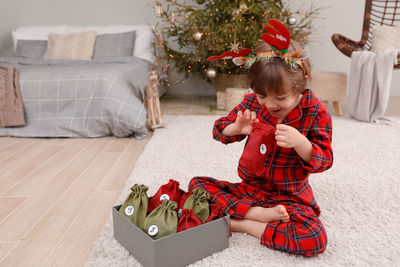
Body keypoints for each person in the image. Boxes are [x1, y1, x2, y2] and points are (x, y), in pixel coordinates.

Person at [189, 19, 333, 257]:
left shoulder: (316, 113)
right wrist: (235, 129)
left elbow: (325, 160)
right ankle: (256, 215)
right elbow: (219, 129)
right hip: (250, 190)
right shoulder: (254, 103)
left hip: (289, 198)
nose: (269, 104)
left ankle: (241, 223)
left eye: (280, 97)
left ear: (301, 86)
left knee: (314, 239)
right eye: (262, 96)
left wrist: (301, 142)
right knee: (197, 186)